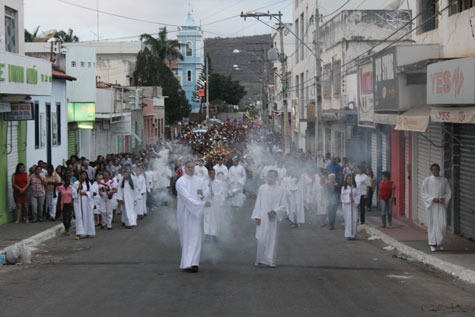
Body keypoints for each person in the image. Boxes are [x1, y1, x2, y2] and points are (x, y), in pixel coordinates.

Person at [175, 161, 211, 273]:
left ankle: (194, 263)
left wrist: (203, 195)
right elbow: (186, 198)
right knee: (186, 238)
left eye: (192, 167)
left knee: (196, 237)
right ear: (185, 168)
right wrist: (202, 204)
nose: (190, 169)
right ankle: (186, 263)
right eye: (188, 167)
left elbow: (207, 192)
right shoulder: (180, 182)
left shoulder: (199, 181)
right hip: (185, 213)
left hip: (195, 214)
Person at [251, 170, 286, 268]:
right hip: (262, 217)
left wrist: (275, 211)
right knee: (261, 238)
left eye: (271, 177)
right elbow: (258, 202)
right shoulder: (262, 188)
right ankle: (260, 259)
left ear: (276, 178)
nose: (269, 178)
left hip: (273, 218)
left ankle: (270, 260)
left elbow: (283, 205)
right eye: (268, 176)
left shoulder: (281, 190)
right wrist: (257, 216)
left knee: (272, 239)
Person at [421, 163, 452, 252]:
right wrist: (431, 199)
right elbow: (423, 193)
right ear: (431, 170)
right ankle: (433, 243)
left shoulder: (444, 180)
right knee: (432, 225)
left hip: (441, 205)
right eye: (433, 170)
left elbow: (448, 192)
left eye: (436, 169)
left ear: (439, 170)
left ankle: (440, 242)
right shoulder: (427, 180)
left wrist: (444, 198)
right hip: (431, 206)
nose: (435, 171)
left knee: (442, 224)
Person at [72, 171, 95, 240]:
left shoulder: (88, 183)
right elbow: (74, 192)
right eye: (83, 174)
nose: (84, 176)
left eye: (85, 175)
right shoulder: (76, 183)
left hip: (86, 201)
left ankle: (88, 232)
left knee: (87, 216)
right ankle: (79, 233)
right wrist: (78, 189)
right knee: (79, 217)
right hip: (79, 202)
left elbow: (92, 192)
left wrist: (84, 193)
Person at [203, 168, 224, 242]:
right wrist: (205, 201)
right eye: (210, 173)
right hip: (208, 202)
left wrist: (214, 194)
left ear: (215, 174)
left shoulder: (218, 182)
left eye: (213, 173)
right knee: (207, 218)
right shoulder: (205, 182)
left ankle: (214, 234)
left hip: (215, 202)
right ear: (208, 174)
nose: (212, 174)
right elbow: (203, 192)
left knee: (215, 219)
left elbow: (221, 191)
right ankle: (207, 234)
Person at [341, 174, 360, 240]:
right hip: (347, 207)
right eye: (348, 179)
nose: (349, 180)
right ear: (346, 180)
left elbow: (358, 196)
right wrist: (349, 196)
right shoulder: (344, 188)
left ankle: (353, 234)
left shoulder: (355, 187)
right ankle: (348, 234)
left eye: (350, 179)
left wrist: (354, 198)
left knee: (354, 220)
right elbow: (342, 197)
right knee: (348, 220)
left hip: (354, 206)